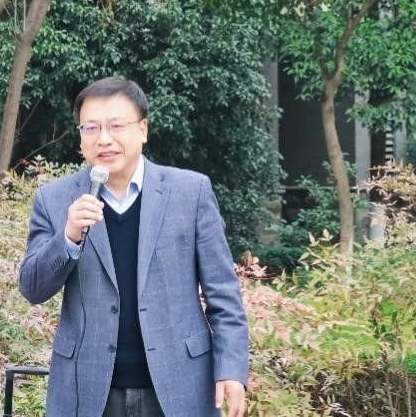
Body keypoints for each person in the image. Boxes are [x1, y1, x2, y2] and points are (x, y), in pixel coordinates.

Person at [18, 77, 249, 417]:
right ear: (81, 136)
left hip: (180, 384)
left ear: (143, 129)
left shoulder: (191, 192)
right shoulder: (54, 199)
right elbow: (32, 288)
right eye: (91, 127)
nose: (104, 139)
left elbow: (223, 293)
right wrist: (67, 236)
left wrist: (231, 367)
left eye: (116, 126)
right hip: (87, 388)